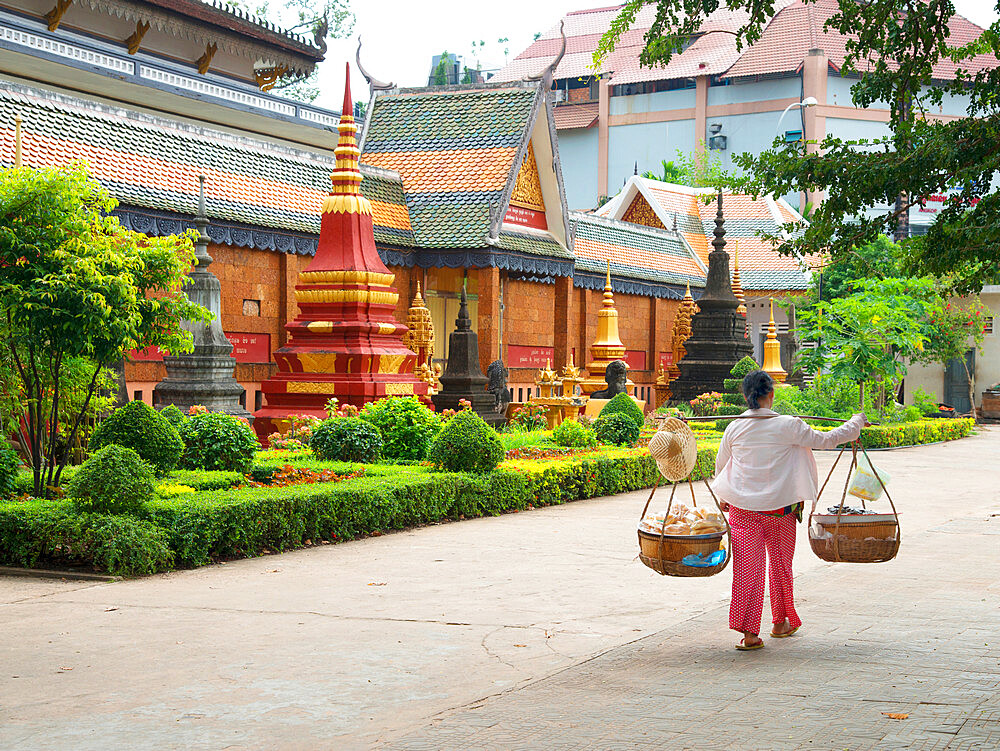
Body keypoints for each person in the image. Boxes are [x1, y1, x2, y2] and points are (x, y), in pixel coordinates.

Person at [711, 370, 866, 651]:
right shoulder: (789, 425)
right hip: (781, 511)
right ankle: (781, 622)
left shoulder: (734, 428)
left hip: (743, 511)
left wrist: (722, 496)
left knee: (748, 571)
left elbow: (721, 467)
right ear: (771, 395)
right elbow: (828, 439)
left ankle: (749, 634)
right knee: (781, 567)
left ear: (746, 397)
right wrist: (855, 424)